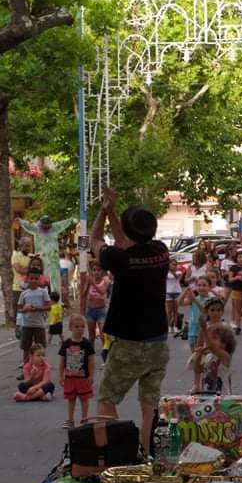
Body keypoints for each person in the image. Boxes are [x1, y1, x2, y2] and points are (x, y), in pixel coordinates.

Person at [92, 188, 170, 453]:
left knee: (107, 397)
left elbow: (95, 240)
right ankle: (148, 456)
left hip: (129, 341)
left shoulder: (119, 259)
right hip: (159, 341)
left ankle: (110, 456)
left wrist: (104, 211)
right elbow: (125, 240)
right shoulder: (161, 251)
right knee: (150, 405)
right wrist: (113, 211)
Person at [59, 314, 95, 428]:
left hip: (83, 378)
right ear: (70, 328)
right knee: (71, 399)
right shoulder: (66, 344)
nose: (80, 329)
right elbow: (62, 361)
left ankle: (85, 419)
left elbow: (91, 361)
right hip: (70, 378)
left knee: (84, 399)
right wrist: (60, 375)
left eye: (82, 327)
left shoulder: (87, 344)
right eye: (77, 327)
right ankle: (70, 419)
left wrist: (91, 375)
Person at [196, 303, 236, 393]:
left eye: (214, 338)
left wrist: (204, 329)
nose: (211, 340)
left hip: (222, 395)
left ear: (224, 342)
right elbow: (198, 369)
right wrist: (199, 355)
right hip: (207, 392)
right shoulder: (208, 355)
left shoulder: (225, 356)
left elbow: (211, 346)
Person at [17, 272, 51, 365]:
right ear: (27, 279)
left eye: (36, 278)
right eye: (31, 278)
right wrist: (25, 309)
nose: (34, 281)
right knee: (26, 348)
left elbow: (49, 307)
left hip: (39, 324)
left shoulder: (43, 292)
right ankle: (26, 369)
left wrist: (37, 308)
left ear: (39, 280)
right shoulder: (24, 293)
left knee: (40, 348)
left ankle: (42, 369)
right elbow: (19, 309)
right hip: (27, 325)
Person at [180, 277, 214, 355]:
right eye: (199, 285)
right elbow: (180, 303)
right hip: (192, 330)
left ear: (209, 287)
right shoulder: (194, 298)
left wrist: (194, 300)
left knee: (203, 356)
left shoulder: (211, 299)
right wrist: (185, 291)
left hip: (204, 332)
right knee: (195, 357)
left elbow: (204, 311)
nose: (201, 287)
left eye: (204, 285)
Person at [80, 262, 110, 344]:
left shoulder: (105, 280)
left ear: (102, 271)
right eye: (94, 270)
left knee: (102, 334)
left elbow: (102, 292)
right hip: (90, 311)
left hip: (101, 311)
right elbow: (83, 295)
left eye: (98, 270)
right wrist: (88, 285)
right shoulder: (89, 280)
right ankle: (90, 354)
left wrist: (93, 283)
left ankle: (106, 352)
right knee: (91, 335)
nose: (96, 272)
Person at [227, 251, 242, 335]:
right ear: (236, 258)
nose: (241, 259)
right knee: (238, 310)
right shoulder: (233, 268)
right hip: (236, 290)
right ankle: (238, 326)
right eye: (239, 257)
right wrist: (237, 277)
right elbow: (230, 279)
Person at [10, 236, 34, 325]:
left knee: (30, 311)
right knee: (19, 311)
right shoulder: (16, 256)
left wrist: (26, 268)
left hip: (30, 288)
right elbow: (19, 270)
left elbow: (38, 270)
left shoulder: (32, 257)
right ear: (21, 246)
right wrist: (30, 268)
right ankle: (18, 329)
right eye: (26, 246)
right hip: (18, 288)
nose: (28, 248)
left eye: (30, 246)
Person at [166, 259, 182, 334]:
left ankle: (175, 326)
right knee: (169, 311)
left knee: (175, 311)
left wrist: (172, 271)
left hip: (176, 292)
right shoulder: (166, 273)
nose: (174, 266)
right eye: (172, 264)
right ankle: (169, 326)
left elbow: (176, 277)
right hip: (168, 292)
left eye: (175, 264)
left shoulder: (179, 272)